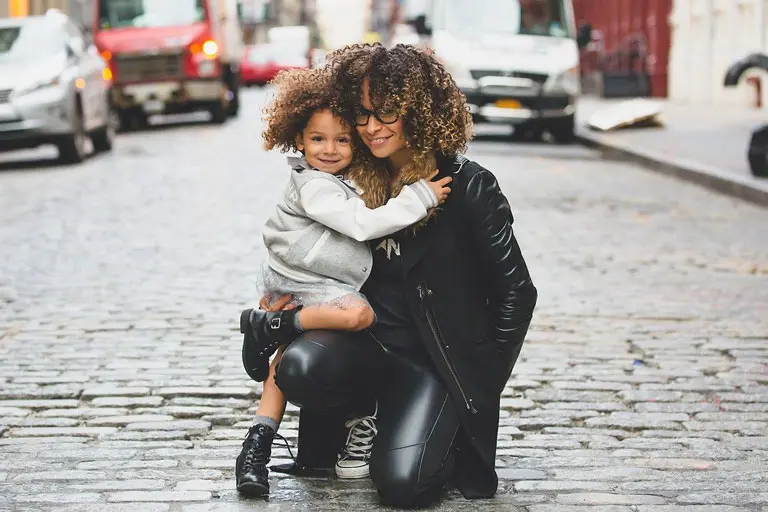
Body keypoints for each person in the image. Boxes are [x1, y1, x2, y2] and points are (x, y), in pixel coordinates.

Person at [247, 43, 539, 508]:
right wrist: (285, 295)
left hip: (433, 364)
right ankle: (360, 420)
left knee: (405, 487)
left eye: (386, 112)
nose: (370, 127)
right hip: (367, 348)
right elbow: (303, 243)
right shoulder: (353, 176)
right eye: (362, 114)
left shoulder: (468, 187)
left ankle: (414, 426)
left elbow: (516, 294)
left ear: (420, 110)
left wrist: (479, 384)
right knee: (300, 367)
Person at [235, 67, 453, 498]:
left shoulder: (340, 179)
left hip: (305, 276)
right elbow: (360, 225)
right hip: (307, 279)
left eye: (342, 139)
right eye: (318, 139)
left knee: (285, 357)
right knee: (358, 314)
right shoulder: (314, 186)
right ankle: (281, 325)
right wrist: (421, 197)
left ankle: (255, 443)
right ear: (298, 140)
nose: (330, 149)